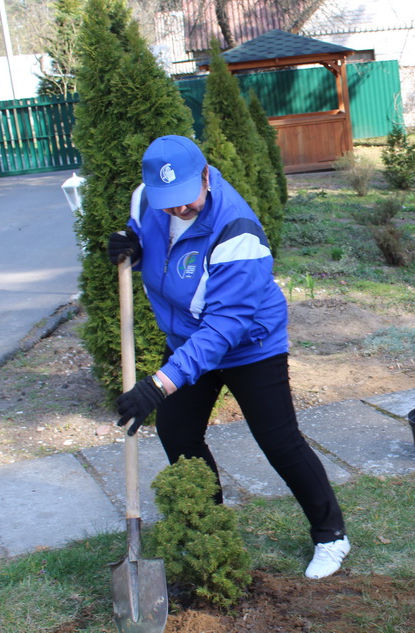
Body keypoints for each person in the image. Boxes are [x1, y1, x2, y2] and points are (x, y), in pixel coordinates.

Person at [107, 135, 349, 579]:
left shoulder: (238, 231)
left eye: (185, 199)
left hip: (249, 345)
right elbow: (158, 248)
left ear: (205, 176)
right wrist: (133, 246)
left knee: (278, 440)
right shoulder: (148, 199)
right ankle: (210, 527)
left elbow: (223, 329)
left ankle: (331, 535)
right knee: (178, 433)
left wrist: (159, 384)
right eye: (168, 203)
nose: (178, 209)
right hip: (187, 339)